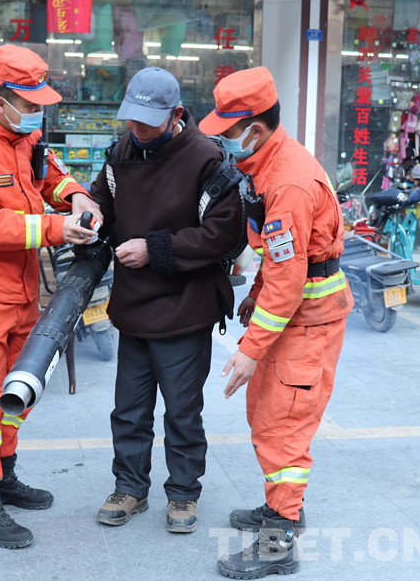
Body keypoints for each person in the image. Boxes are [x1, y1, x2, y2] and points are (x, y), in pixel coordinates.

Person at [0, 44, 102, 549]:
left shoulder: (24, 136)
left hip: (19, 288)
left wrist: (77, 196)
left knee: (16, 391)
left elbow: (51, 176)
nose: (36, 113)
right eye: (29, 104)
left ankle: (4, 474)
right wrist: (57, 228)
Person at [199, 66, 353, 578]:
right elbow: (281, 257)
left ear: (255, 129)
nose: (221, 141)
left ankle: (279, 539)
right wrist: (256, 294)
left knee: (282, 427)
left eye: (227, 132)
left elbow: (290, 280)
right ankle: (282, 508)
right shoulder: (266, 163)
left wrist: (249, 349)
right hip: (296, 316)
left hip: (306, 322)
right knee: (268, 414)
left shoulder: (287, 181)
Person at [89, 67, 244, 533]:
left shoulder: (206, 159)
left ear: (175, 114)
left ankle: (183, 494)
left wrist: (155, 248)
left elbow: (224, 234)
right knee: (129, 410)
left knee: (182, 411)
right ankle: (129, 488)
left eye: (148, 122)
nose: (137, 130)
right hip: (133, 307)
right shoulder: (121, 152)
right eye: (131, 120)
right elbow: (101, 201)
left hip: (185, 307)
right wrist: (88, 216)